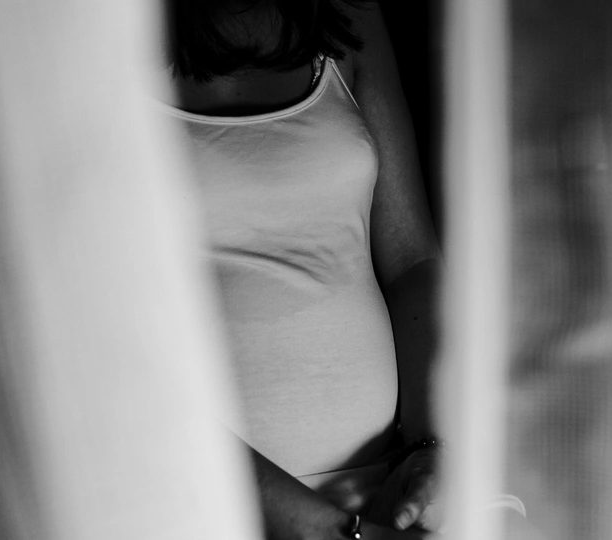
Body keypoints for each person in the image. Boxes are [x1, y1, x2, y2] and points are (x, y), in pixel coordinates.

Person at [153, 1, 445, 538]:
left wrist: (431, 453)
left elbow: (412, 263)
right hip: (188, 503)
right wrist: (329, 530)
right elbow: (93, 344)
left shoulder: (346, 13)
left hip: (382, 500)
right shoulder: (80, 41)